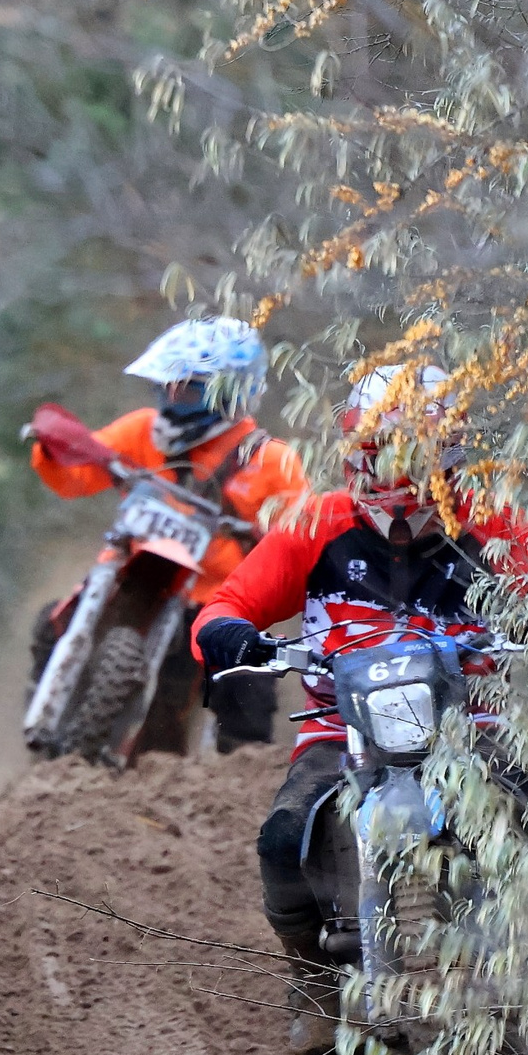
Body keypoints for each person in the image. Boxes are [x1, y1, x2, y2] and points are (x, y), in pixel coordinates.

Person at [191, 365, 528, 1055]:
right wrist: (229, 632)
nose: (394, 478)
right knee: (284, 837)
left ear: (448, 458)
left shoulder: (490, 523)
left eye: (410, 456)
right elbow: (228, 603)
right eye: (379, 455)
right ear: (354, 455)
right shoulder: (314, 523)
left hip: (469, 724)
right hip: (339, 728)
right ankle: (313, 976)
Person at [26, 317, 309, 751]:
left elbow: (304, 536)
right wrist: (53, 449)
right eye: (169, 385)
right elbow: (76, 478)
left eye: (190, 389)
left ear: (230, 394)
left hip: (217, 598)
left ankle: (244, 776)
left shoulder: (272, 461)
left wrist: (274, 543)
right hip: (131, 574)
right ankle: (49, 707)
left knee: (250, 677)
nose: (174, 398)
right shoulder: (143, 429)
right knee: (53, 622)